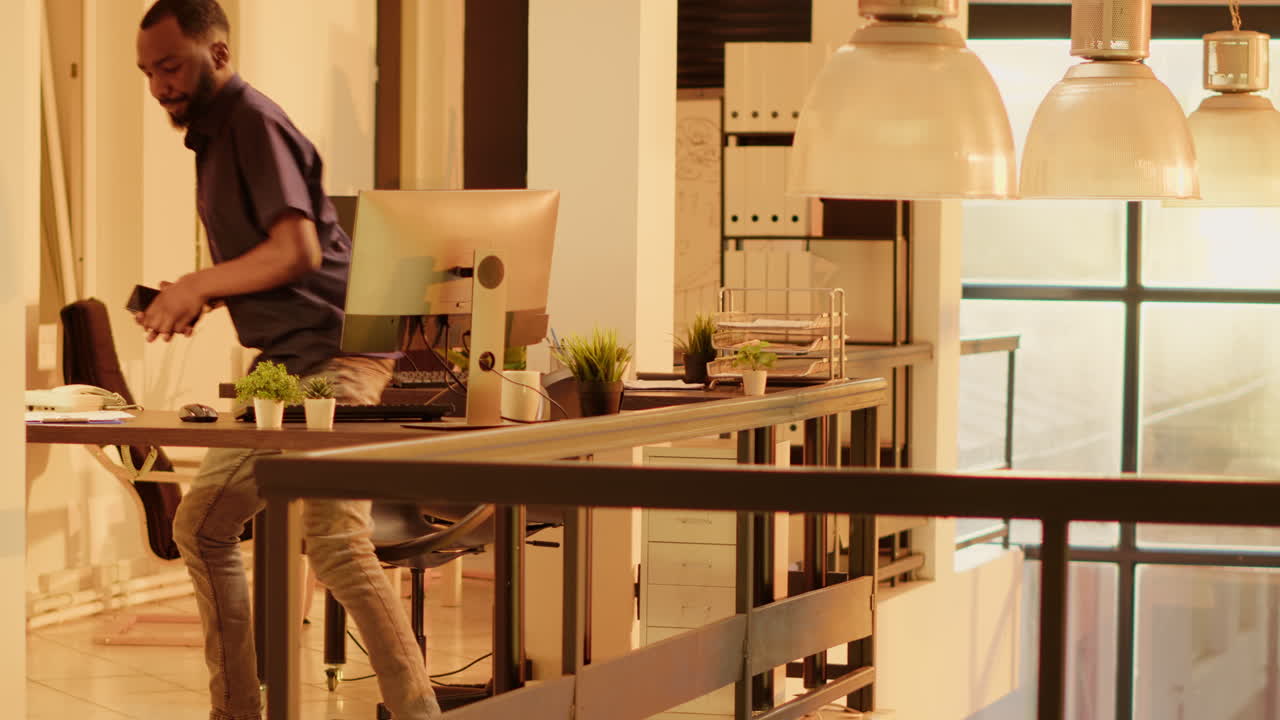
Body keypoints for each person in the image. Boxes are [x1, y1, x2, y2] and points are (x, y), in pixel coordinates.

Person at [134, 2, 441, 718]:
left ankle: (418, 711)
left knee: (335, 543)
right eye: (147, 72)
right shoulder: (215, 138)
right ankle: (237, 709)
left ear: (217, 53)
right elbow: (274, 262)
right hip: (288, 362)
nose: (158, 86)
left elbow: (297, 250)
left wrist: (199, 283)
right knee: (202, 527)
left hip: (333, 358)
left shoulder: (251, 122)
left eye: (170, 66)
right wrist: (203, 295)